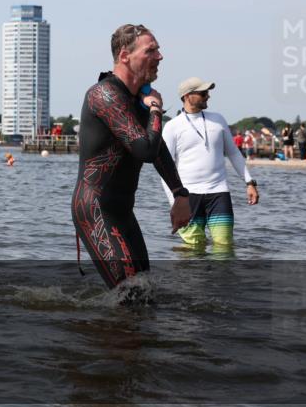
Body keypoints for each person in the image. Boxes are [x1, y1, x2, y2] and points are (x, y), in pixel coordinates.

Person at [71, 24, 191, 289]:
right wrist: (157, 110)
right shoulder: (104, 95)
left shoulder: (137, 98)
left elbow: (157, 148)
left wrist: (180, 193)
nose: (160, 57)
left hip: (123, 211)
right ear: (125, 55)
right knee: (131, 295)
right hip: (96, 210)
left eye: (159, 50)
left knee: (144, 292)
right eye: (151, 50)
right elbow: (145, 150)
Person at [161, 78, 259, 247]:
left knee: (224, 248)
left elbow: (234, 153)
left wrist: (249, 182)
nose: (208, 96)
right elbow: (164, 168)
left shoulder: (218, 120)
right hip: (186, 197)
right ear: (187, 96)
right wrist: (174, 202)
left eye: (208, 93)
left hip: (219, 193)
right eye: (203, 93)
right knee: (193, 250)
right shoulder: (172, 126)